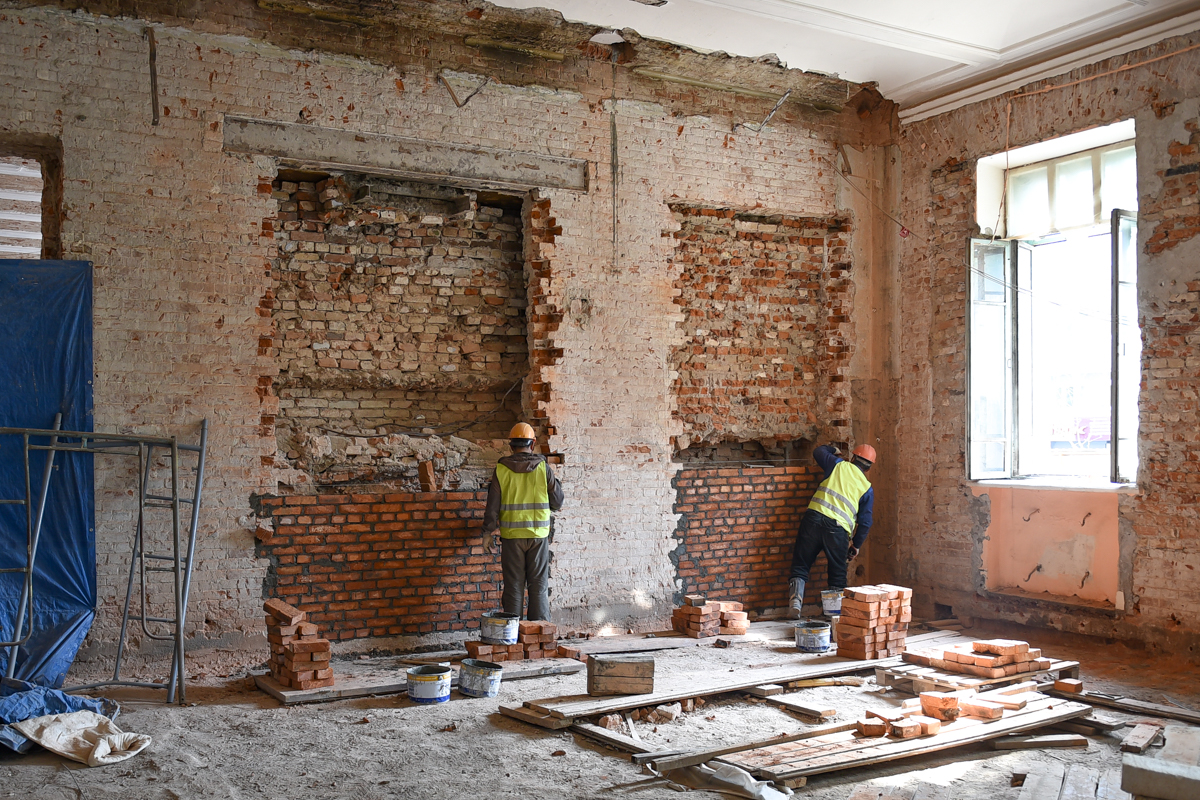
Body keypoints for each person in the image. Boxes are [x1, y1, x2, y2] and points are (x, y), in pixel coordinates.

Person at [482, 422, 564, 621]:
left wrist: (487, 533)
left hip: (512, 538)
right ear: (533, 443)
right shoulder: (544, 469)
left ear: (511, 446)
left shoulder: (501, 469)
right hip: (538, 537)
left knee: (514, 587)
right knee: (538, 586)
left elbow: (492, 506)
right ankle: (539, 634)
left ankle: (513, 635)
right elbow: (558, 502)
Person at [788, 442, 877, 619]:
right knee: (837, 575)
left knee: (801, 565)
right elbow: (866, 522)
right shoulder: (867, 488)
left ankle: (795, 602)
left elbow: (818, 451)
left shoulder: (837, 465)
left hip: (812, 520)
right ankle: (834, 617)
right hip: (838, 530)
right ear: (868, 468)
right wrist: (856, 545)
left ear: (853, 458)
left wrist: (834, 450)